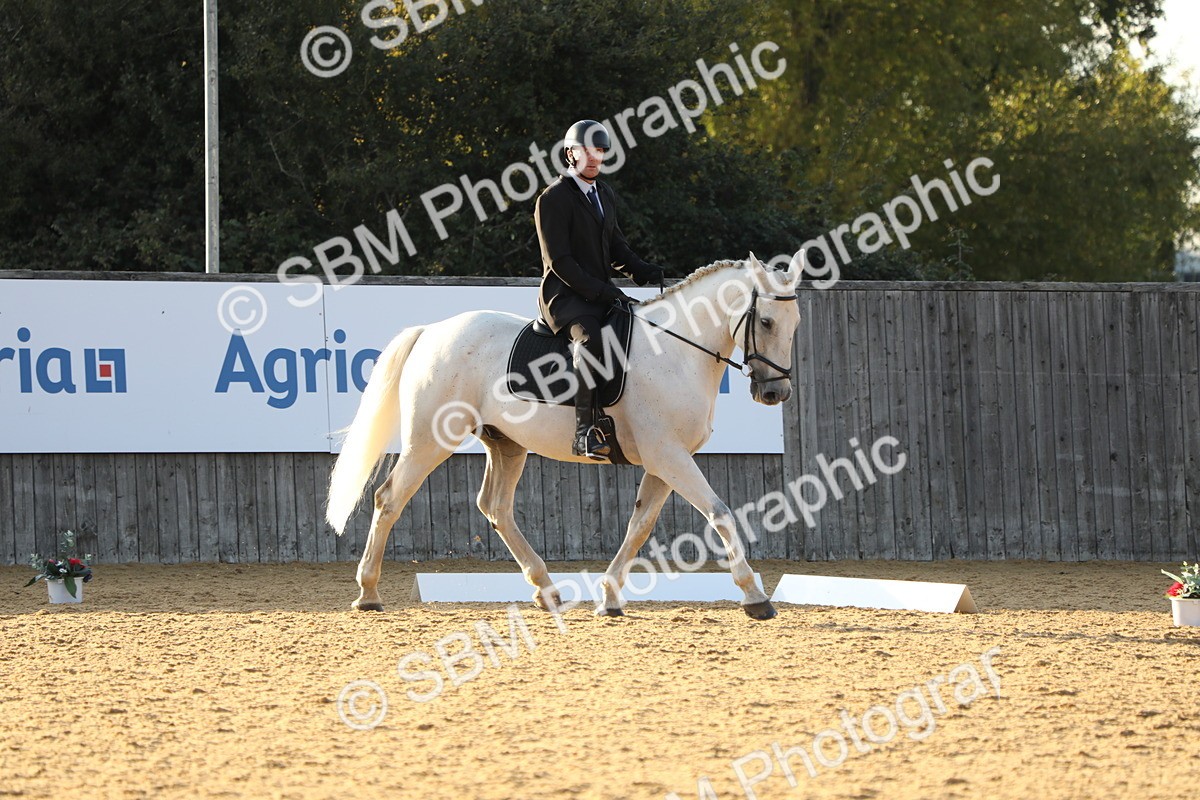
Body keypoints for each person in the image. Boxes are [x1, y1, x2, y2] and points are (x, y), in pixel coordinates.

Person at [534, 119, 665, 460]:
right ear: (570, 154)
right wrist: (603, 292)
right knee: (591, 340)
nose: (594, 158)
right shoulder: (553, 198)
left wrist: (644, 271)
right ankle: (584, 433)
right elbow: (559, 261)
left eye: (600, 152)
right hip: (565, 298)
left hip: (600, 293)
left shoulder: (604, 194)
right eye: (586, 151)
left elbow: (616, 247)